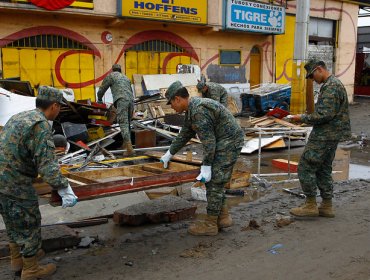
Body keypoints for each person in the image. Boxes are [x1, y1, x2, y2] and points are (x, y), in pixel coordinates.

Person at [0, 86, 78, 279]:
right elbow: (47, 165)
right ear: (54, 106)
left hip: (2, 179)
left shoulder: (19, 117)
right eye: (59, 107)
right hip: (15, 182)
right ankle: (31, 270)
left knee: (12, 220)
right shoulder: (40, 125)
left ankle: (18, 259)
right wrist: (63, 186)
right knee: (29, 222)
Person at [160, 81, 244, 236]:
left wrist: (206, 166)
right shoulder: (192, 109)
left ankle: (210, 224)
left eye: (171, 103)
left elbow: (209, 143)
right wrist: (169, 153)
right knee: (216, 180)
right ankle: (224, 217)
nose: (171, 107)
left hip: (229, 141)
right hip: (224, 140)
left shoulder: (198, 111)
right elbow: (185, 133)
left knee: (214, 181)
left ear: (178, 99)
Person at [289, 58, 351, 218]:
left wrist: (301, 118)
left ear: (319, 69)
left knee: (305, 166)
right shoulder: (333, 84)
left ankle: (310, 204)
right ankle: (326, 205)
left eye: (312, 75)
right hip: (332, 135)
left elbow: (324, 114)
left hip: (324, 135)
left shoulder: (331, 87)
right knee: (323, 168)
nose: (312, 79)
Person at [97, 64, 135, 156]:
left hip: (121, 100)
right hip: (131, 101)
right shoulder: (126, 78)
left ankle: (129, 149)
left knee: (123, 123)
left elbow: (102, 88)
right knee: (128, 124)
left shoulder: (111, 76)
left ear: (113, 70)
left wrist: (99, 99)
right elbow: (130, 90)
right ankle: (125, 145)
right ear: (120, 70)